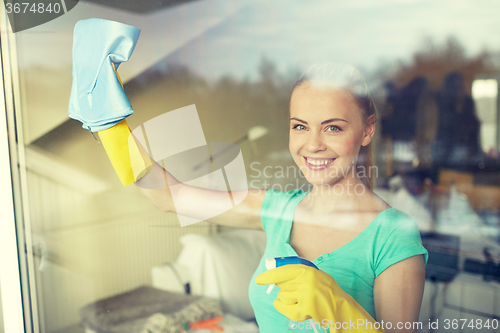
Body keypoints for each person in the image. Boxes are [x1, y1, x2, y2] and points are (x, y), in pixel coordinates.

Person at [69, 21, 427, 333]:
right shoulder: (275, 209)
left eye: (333, 127)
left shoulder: (393, 235)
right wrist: (109, 125)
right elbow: (167, 196)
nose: (312, 145)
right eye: (300, 126)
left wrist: (337, 307)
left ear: (367, 131)